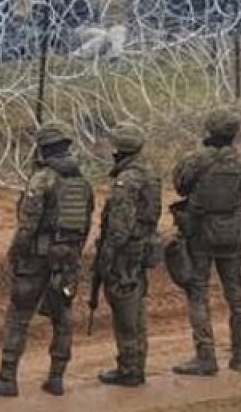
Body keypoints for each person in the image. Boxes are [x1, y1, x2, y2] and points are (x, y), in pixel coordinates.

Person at [0, 123, 95, 398]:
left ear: (43, 148)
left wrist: (16, 253)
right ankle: (56, 377)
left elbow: (27, 225)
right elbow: (86, 223)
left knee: (19, 316)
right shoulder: (82, 182)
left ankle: (7, 378)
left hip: (37, 258)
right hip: (68, 257)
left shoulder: (42, 179)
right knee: (62, 316)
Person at [170, 107, 241, 375]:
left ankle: (206, 356)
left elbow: (181, 185)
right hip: (232, 235)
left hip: (200, 235)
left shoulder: (196, 160)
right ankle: (240, 355)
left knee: (198, 294)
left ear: (209, 130)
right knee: (237, 297)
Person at [94, 122, 161, 387]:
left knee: (125, 311)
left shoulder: (128, 180)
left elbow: (119, 227)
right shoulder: (148, 173)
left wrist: (105, 258)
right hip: (142, 246)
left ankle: (129, 368)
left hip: (126, 252)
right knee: (136, 307)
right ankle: (135, 364)